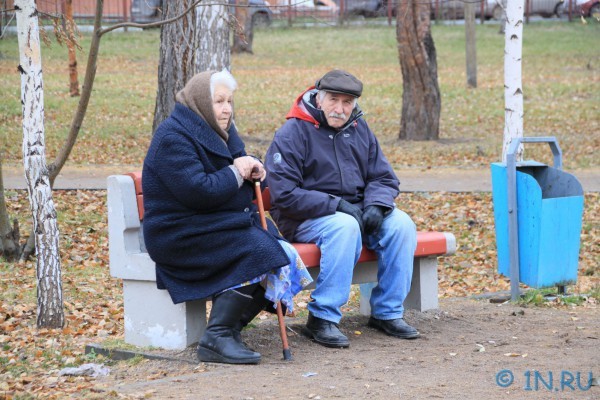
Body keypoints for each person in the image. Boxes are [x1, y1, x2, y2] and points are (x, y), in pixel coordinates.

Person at [142, 69, 312, 364]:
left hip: (213, 225)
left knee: (278, 249)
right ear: (201, 104)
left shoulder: (222, 131)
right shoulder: (173, 137)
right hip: (179, 234)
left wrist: (255, 168)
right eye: (219, 101)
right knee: (258, 248)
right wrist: (238, 171)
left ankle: (227, 332)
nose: (227, 109)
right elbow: (200, 191)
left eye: (230, 101)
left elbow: (244, 170)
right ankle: (217, 336)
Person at [265, 69, 419, 349]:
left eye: (347, 102)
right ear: (318, 98)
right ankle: (322, 318)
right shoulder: (293, 132)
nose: (340, 109)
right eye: (333, 100)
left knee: (401, 224)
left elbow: (383, 177)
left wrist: (377, 205)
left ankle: (387, 312)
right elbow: (284, 194)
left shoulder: (360, 129)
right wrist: (337, 205)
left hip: (356, 211)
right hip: (304, 218)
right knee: (344, 226)